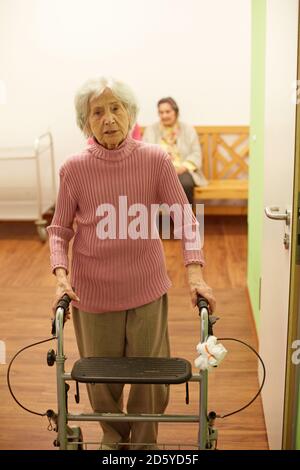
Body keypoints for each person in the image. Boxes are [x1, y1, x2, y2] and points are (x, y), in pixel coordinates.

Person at [47, 77, 216, 450]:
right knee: (100, 382)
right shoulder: (74, 169)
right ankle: (113, 443)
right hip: (92, 293)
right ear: (85, 122)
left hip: (146, 290)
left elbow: (186, 219)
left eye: (116, 108)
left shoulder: (155, 160)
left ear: (130, 114)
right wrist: (61, 277)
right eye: (97, 111)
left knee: (150, 379)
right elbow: (59, 230)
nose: (108, 118)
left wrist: (195, 273)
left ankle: (143, 446)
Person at [143, 97, 207, 205]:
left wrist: (182, 168)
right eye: (161, 112)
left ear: (176, 112)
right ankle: (155, 220)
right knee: (148, 185)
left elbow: (196, 154)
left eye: (168, 112)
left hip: (183, 170)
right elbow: (145, 153)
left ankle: (186, 219)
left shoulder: (188, 129)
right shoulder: (151, 130)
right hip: (159, 171)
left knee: (185, 184)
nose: (164, 116)